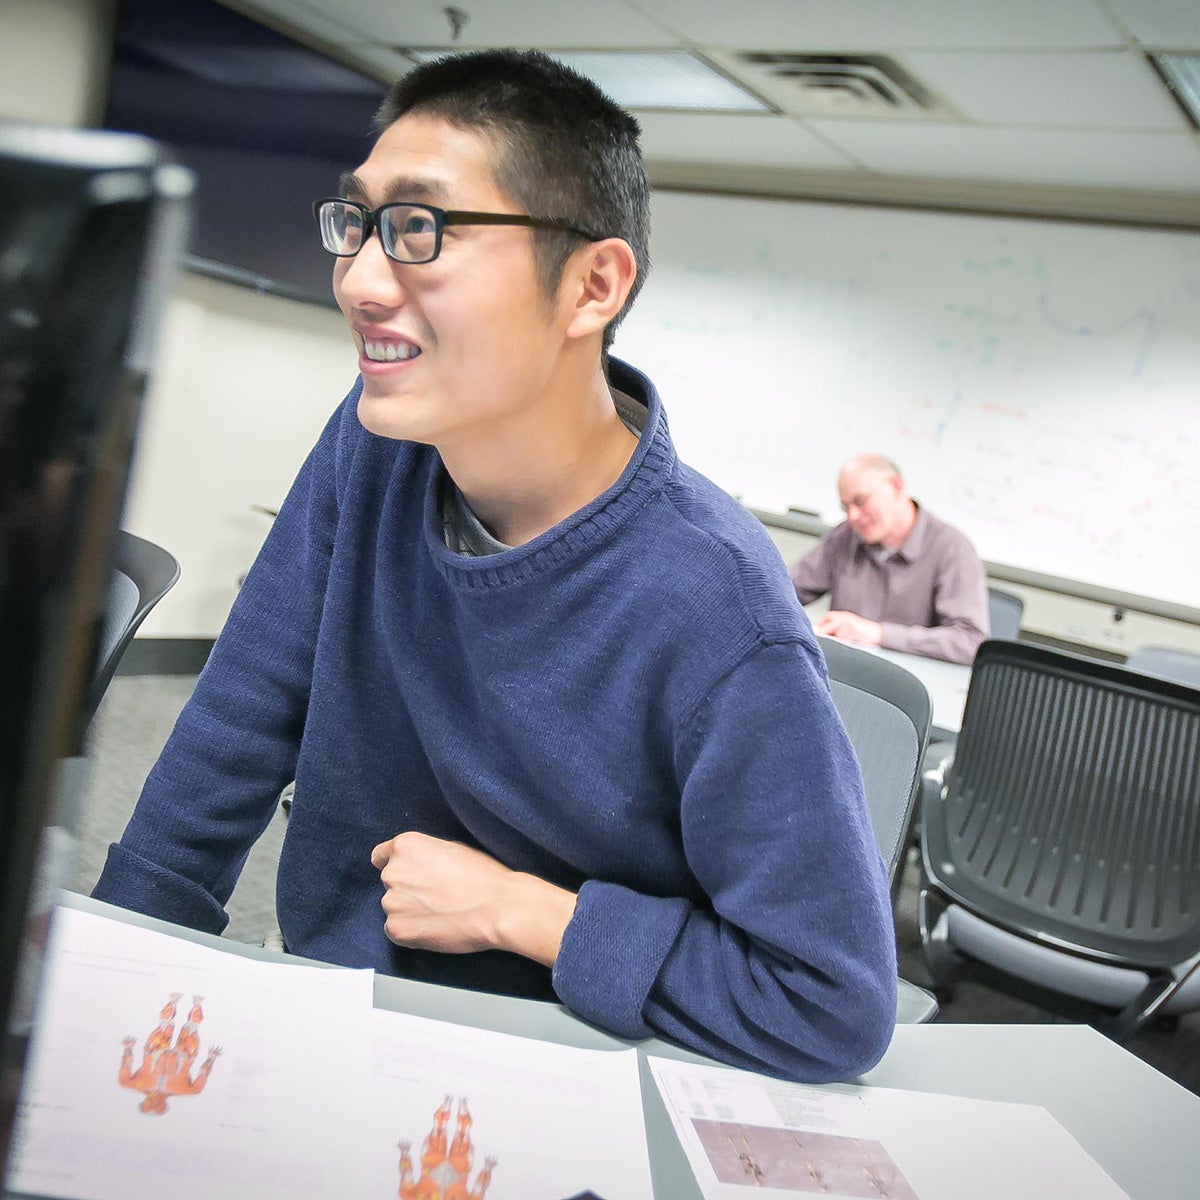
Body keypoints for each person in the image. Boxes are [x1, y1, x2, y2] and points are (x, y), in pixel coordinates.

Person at [93, 50, 896, 1083]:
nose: (361, 280)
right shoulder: (376, 443)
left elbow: (830, 1005)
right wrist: (116, 972)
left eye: (421, 229)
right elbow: (242, 718)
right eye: (358, 223)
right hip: (346, 1016)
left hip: (570, 1071)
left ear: (592, 286)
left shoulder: (719, 609)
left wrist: (531, 915)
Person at [790, 454, 988, 665]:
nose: (853, 516)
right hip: (846, 674)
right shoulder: (845, 537)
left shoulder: (952, 548)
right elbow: (785, 589)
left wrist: (878, 634)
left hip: (911, 685)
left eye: (860, 501)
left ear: (895, 486)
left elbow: (969, 641)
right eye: (846, 507)